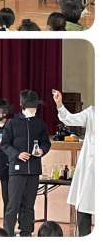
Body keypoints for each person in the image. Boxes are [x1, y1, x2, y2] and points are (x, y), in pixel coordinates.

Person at [1, 90, 51, 237]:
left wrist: (42, 150)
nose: (34, 109)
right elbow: (4, 144)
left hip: (33, 170)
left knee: (29, 205)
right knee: (13, 204)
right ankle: (7, 233)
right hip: (17, 170)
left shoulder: (40, 124)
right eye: (31, 106)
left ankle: (26, 232)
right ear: (22, 105)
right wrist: (17, 154)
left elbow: (46, 143)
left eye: (35, 106)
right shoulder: (12, 123)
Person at [52, 90, 94, 236]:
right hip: (91, 167)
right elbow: (69, 119)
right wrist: (59, 104)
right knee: (84, 205)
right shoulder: (92, 112)